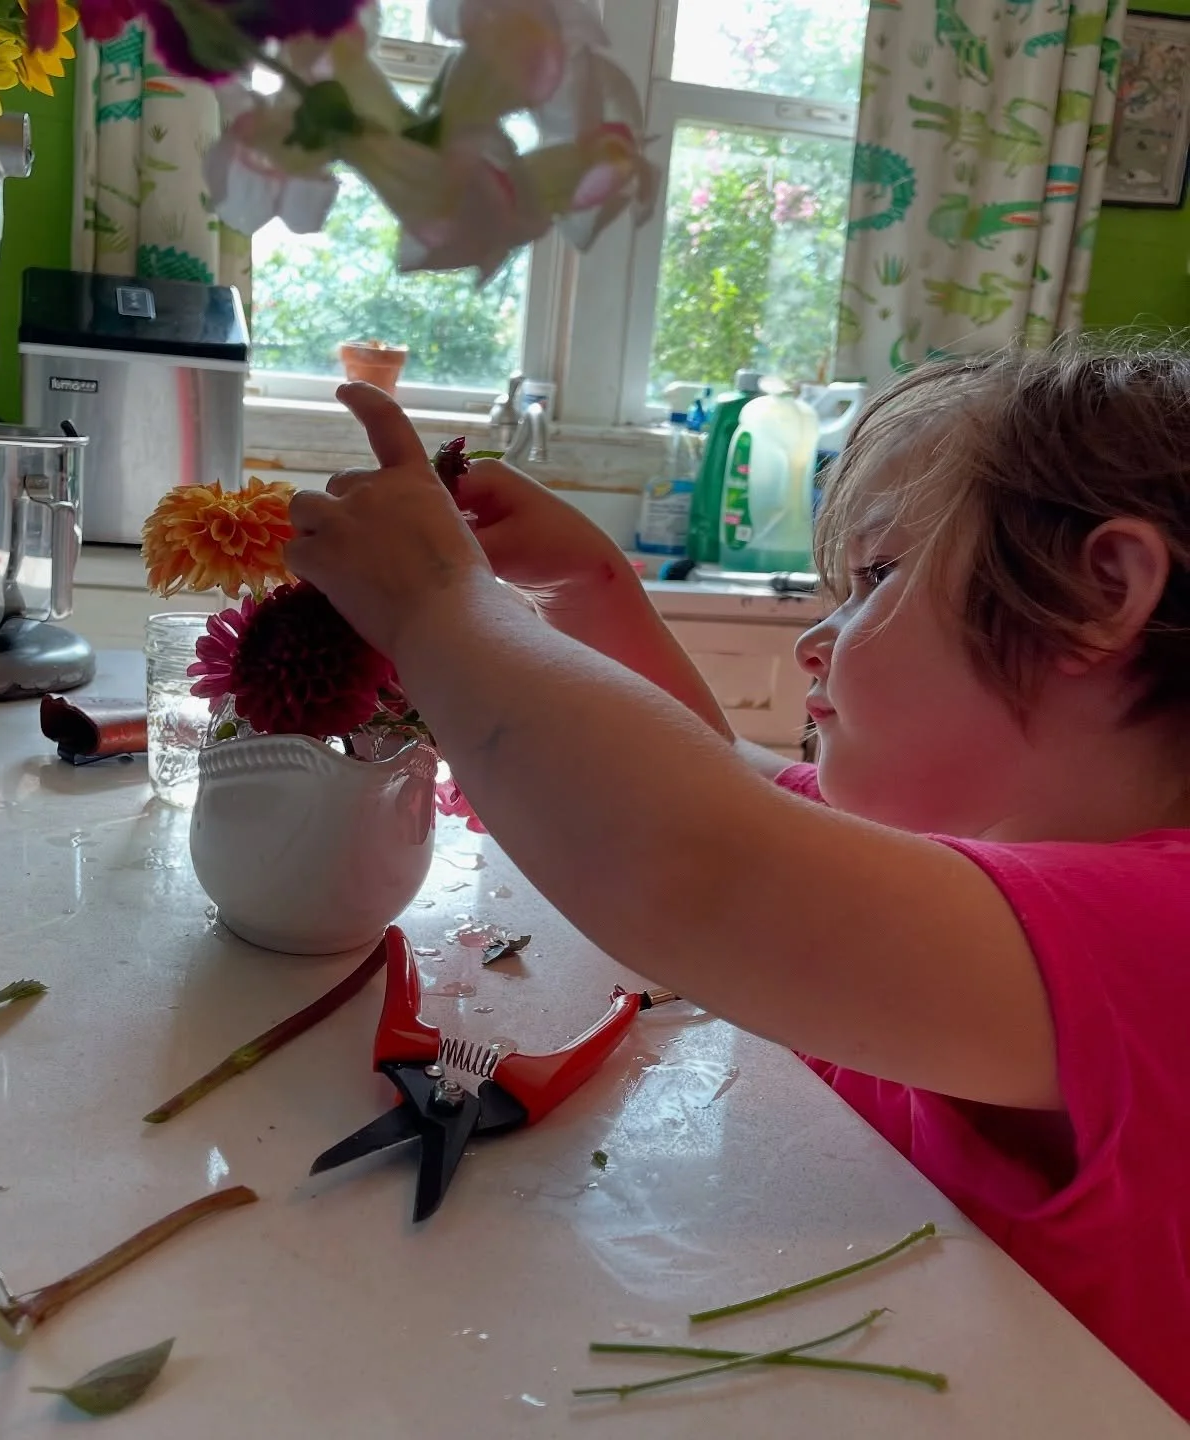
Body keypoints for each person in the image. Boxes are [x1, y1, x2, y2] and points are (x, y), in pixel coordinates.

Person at [285, 346, 1190, 1420]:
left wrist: (437, 612)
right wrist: (590, 586)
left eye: (876, 580)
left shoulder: (1165, 931)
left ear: (1100, 593)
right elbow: (710, 788)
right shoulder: (940, 878)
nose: (817, 640)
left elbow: (696, 863)